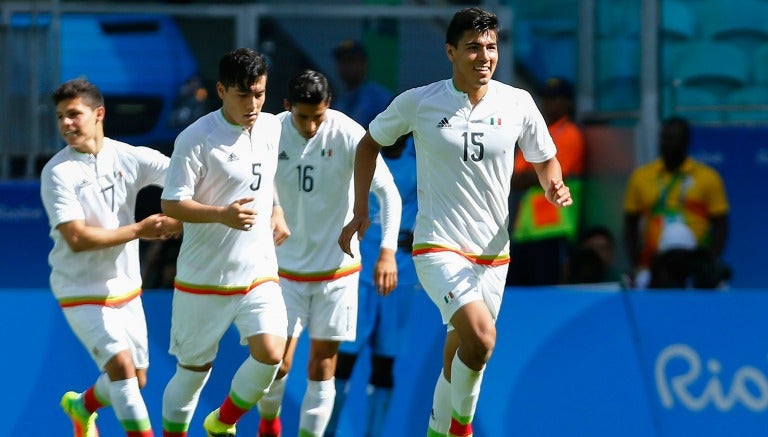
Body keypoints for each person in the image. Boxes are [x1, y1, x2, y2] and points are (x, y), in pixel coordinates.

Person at [338, 8, 573, 437]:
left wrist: (552, 185)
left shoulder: (517, 102)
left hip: (494, 254)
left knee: (466, 352)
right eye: (473, 48)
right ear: (450, 52)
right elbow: (368, 144)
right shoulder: (420, 102)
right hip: (436, 247)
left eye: (491, 47)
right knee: (482, 339)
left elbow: (544, 158)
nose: (484, 56)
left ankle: (436, 427)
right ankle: (460, 429)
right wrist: (360, 208)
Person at [254, 69, 401, 437]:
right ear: (287, 106)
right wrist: (272, 205)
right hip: (283, 273)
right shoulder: (269, 130)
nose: (310, 125)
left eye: (317, 116)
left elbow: (389, 194)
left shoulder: (349, 133)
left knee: (323, 365)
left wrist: (387, 252)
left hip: (337, 274)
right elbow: (248, 177)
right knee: (276, 363)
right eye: (302, 117)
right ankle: (269, 423)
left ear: (328, 106)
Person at [159, 48, 290, 437]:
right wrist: (222, 215)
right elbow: (171, 202)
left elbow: (266, 179)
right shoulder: (196, 138)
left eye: (260, 93)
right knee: (192, 375)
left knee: (271, 356)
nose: (253, 103)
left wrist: (278, 209)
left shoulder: (270, 127)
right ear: (221, 90)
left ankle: (222, 422)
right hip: (205, 277)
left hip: (258, 271)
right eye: (243, 94)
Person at [40, 78, 181, 437]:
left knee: (137, 378)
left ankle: (82, 405)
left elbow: (184, 178)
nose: (66, 124)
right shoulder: (58, 172)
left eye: (74, 114)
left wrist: (190, 215)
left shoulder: (130, 156)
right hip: (79, 288)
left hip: (125, 287)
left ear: (99, 114)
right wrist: (139, 230)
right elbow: (76, 238)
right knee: (121, 367)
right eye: (60, 117)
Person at [325, 133, 420, 437]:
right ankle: (327, 430)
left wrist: (420, 234)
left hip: (399, 276)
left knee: (384, 364)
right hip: (358, 273)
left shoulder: (420, 166)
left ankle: (374, 433)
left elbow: (441, 203)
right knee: (344, 361)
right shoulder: (362, 161)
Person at [623, 116, 729, 288]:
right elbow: (630, 225)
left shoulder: (708, 177)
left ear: (686, 141)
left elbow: (721, 225)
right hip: (654, 265)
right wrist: (637, 263)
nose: (668, 144)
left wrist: (710, 262)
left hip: (695, 265)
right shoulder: (640, 177)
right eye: (664, 138)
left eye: (674, 139)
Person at [507, 77, 585, 286]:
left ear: (568, 102)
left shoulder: (569, 134)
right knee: (517, 290)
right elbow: (515, 178)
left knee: (547, 290)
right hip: (526, 231)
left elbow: (548, 176)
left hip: (555, 230)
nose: (548, 104)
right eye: (546, 99)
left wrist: (532, 175)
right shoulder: (537, 133)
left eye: (555, 99)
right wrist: (533, 174)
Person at [332, 40, 393, 128]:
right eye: (342, 62)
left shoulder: (379, 97)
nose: (347, 66)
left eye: (351, 60)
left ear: (364, 64)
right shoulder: (340, 100)